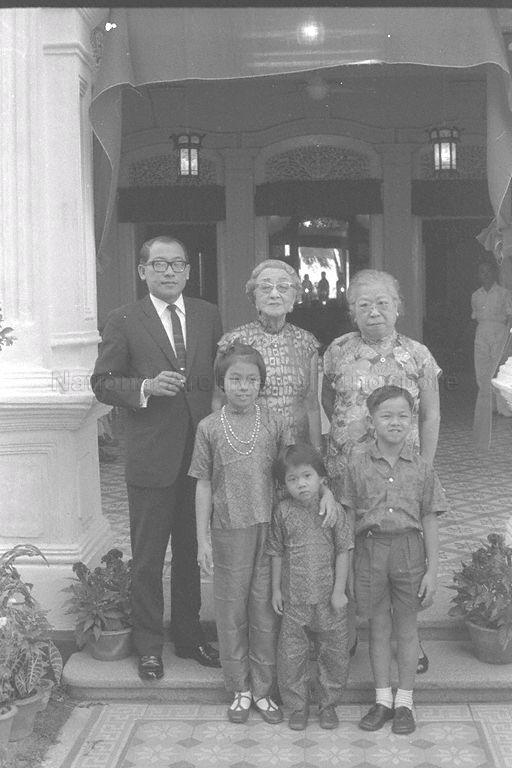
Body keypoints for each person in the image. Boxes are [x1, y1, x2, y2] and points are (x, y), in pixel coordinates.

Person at [91, 235, 222, 681]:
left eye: (178, 264)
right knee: (148, 558)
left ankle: (189, 638)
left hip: (199, 458)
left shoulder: (207, 315)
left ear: (188, 270)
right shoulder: (124, 319)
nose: (169, 272)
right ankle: (149, 645)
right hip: (151, 457)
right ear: (142, 270)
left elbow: (219, 380)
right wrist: (145, 388)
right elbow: (103, 382)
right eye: (160, 264)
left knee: (190, 551)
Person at [322, 268, 441, 674]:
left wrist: (425, 462)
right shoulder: (337, 350)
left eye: (382, 303)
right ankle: (354, 630)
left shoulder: (418, 354)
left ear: (398, 308)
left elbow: (431, 413)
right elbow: (326, 402)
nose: (374, 312)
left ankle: (411, 637)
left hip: (400, 471)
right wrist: (348, 441)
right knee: (352, 547)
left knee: (402, 550)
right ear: (352, 312)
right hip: (349, 470)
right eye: (363, 305)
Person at [189, 343, 289, 724]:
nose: (244, 387)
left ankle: (264, 690)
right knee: (230, 610)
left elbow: (290, 476)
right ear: (222, 382)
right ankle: (240, 689)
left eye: (252, 380)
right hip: (228, 528)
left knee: (265, 608)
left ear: (261, 383)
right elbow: (201, 485)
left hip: (269, 528)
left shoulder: (275, 422)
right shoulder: (209, 427)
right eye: (235, 379)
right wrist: (202, 541)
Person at [342, 385, 447, 735]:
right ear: (372, 421)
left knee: (406, 629)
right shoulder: (356, 464)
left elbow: (430, 517)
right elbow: (348, 518)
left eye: (403, 415)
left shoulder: (422, 468)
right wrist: (348, 569)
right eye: (386, 415)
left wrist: (433, 570)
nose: (395, 422)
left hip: (408, 551)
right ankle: (382, 699)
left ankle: (405, 701)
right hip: (370, 550)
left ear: (412, 420)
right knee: (378, 628)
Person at [267, 444, 352, 732]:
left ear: (321, 479)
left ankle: (329, 705)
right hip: (294, 598)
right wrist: (277, 590)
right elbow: (276, 551)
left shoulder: (333, 510)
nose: (301, 484)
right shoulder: (282, 511)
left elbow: (344, 550)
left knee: (334, 653)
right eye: (292, 479)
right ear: (284, 484)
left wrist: (340, 590)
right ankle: (297, 706)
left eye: (307, 476)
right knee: (291, 654)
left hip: (329, 597)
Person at [471, 259, 512, 419]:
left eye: (488, 271)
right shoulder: (475, 295)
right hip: (482, 332)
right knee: (482, 370)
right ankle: (489, 406)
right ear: (479, 275)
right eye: (482, 272)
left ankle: (504, 407)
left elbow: (509, 316)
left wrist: (508, 337)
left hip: (499, 332)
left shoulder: (504, 293)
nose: (485, 275)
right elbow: (475, 316)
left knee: (499, 369)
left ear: (494, 273)